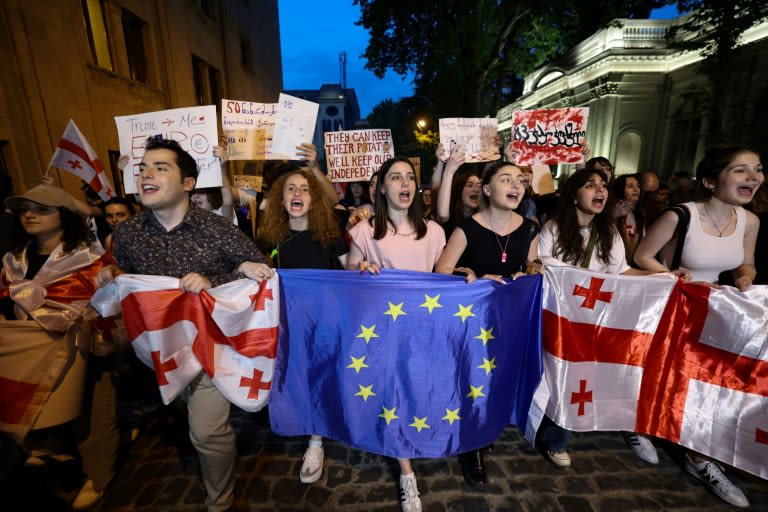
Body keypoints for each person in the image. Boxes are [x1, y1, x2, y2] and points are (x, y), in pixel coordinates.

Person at [95, 138, 273, 512]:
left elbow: (259, 275)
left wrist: (218, 279)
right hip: (162, 351)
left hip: (211, 345)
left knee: (206, 430)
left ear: (188, 183)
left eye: (161, 167)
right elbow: (126, 275)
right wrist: (113, 272)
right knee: (186, 408)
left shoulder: (216, 228)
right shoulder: (127, 234)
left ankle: (220, 503)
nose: (146, 173)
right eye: (143, 167)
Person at [633, 144, 763, 508]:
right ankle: (642, 427)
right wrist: (671, 275)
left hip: (717, 313)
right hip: (674, 305)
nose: (753, 176)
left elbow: (745, 263)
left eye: (757, 169)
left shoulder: (750, 221)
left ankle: (700, 457)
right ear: (709, 181)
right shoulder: (680, 216)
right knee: (665, 377)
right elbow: (642, 255)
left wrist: (744, 280)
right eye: (740, 170)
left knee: (710, 386)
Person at [537, 168, 666, 469]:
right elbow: (547, 272)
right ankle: (556, 440)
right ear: (573, 195)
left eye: (603, 185)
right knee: (562, 377)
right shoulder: (553, 230)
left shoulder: (609, 233)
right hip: (564, 320)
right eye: (590, 185)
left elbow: (622, 272)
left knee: (587, 377)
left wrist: (663, 276)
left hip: (598, 320)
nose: (600, 190)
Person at [1, 184, 115, 510]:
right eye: (24, 208)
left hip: (86, 349)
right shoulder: (12, 261)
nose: (29, 215)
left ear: (63, 215)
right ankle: (50, 460)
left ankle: (99, 477)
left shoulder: (91, 259)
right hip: (30, 354)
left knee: (93, 415)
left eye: (41, 209)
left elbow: (111, 303)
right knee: (35, 408)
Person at [347, 157, 446, 512]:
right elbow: (349, 269)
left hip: (422, 328)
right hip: (383, 329)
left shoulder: (433, 232)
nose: (404, 183)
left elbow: (443, 275)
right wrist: (361, 266)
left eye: (409, 177)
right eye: (395, 177)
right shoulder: (365, 230)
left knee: (417, 391)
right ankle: (406, 473)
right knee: (394, 394)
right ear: (382, 188)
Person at [435, 161, 540, 489]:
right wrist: (476, 278)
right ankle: (474, 445)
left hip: (510, 318)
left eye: (520, 181)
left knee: (498, 377)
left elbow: (532, 264)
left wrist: (532, 271)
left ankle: (490, 423)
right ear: (486, 189)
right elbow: (441, 271)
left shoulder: (530, 228)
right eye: (506, 179)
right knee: (474, 378)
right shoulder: (466, 229)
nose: (515, 185)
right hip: (473, 322)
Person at [250, 164, 348, 485]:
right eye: (290, 189)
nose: (297, 193)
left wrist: (367, 268)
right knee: (293, 374)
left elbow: (352, 270)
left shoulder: (330, 234)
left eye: (304, 189)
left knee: (319, 375)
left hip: (322, 319)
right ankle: (296, 419)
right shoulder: (269, 236)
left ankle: (316, 441)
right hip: (285, 320)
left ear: (314, 199)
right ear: (281, 199)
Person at [611, 173, 644, 265]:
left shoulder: (639, 212)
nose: (635, 189)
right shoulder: (612, 210)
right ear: (620, 190)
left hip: (634, 262)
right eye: (629, 186)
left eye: (638, 186)